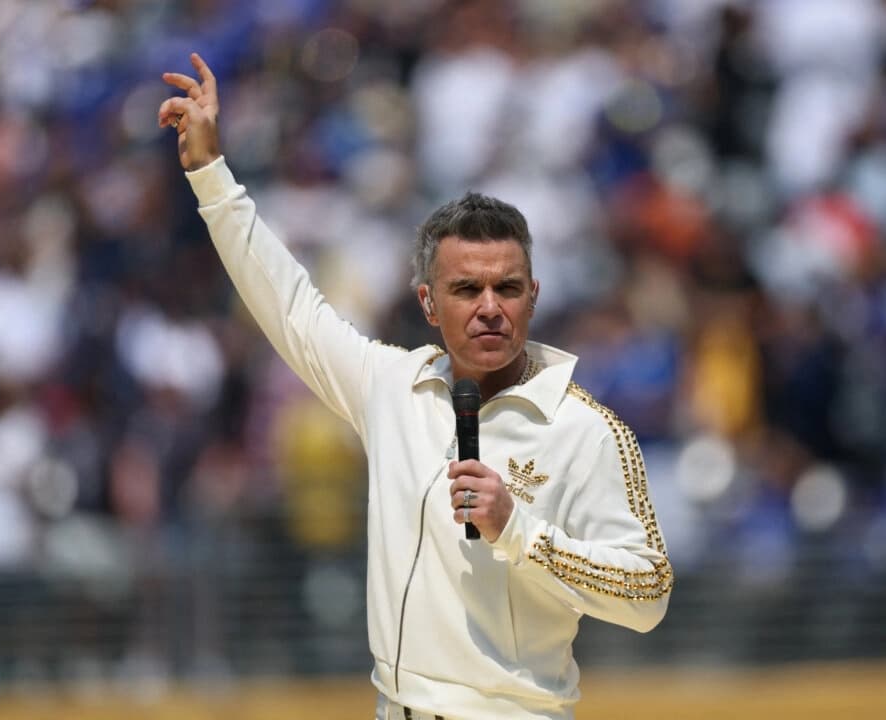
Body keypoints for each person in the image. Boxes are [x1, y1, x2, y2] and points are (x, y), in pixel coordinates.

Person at [159, 53, 672, 720]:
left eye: (507, 288)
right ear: (429, 304)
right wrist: (210, 175)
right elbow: (290, 307)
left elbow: (648, 594)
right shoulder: (391, 386)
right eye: (467, 289)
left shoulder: (586, 429)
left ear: (533, 297)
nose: (490, 306)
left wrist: (518, 529)